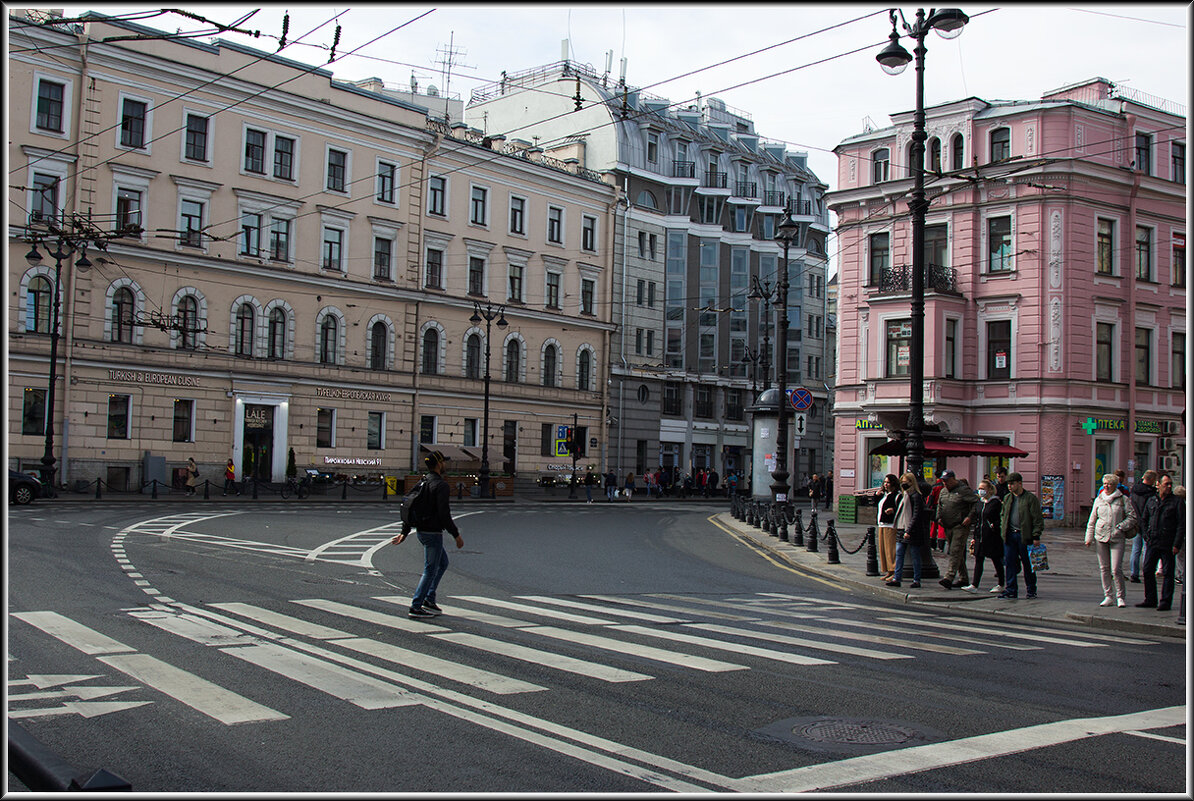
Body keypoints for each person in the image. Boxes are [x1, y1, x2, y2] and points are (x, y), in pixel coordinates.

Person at [391, 450, 463, 619]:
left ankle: (429, 598)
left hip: (422, 531)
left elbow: (411, 504)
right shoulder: (441, 485)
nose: (445, 464)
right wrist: (456, 535)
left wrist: (405, 531)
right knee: (430, 569)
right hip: (432, 532)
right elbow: (444, 514)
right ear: (439, 464)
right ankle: (416, 606)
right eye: (444, 461)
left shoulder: (423, 481)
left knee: (442, 563)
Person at [1084, 473, 1137, 608]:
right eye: (1105, 484)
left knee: (1116, 569)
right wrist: (1088, 537)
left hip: (1117, 537)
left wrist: (1121, 526)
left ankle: (1120, 596)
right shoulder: (1099, 499)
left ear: (1115, 485)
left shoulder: (1123, 499)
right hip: (1101, 536)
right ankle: (1108, 596)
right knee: (1104, 568)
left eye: (1109, 484)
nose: (1106, 486)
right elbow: (1092, 520)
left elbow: (1132, 517)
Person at [1139, 474, 1184, 611]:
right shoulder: (1152, 500)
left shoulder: (1176, 502)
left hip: (1168, 542)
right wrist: (1146, 535)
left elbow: (1182, 524)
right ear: (1158, 485)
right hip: (1153, 541)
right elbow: (1144, 519)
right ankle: (1150, 599)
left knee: (1168, 573)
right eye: (1166, 484)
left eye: (1170, 484)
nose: (1169, 486)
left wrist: (1177, 544)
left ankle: (1165, 601)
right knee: (1147, 570)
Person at [999, 472, 1045, 599]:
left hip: (1025, 536)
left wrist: (1036, 535)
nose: (1010, 486)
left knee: (1028, 564)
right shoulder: (1008, 498)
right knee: (1010, 563)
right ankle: (1011, 589)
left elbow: (1037, 519)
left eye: (1012, 483)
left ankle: (1031, 589)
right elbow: (1003, 515)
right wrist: (1003, 531)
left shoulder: (1030, 498)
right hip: (1010, 535)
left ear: (1020, 483)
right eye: (1008, 484)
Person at [935, 469, 978, 589]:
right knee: (957, 552)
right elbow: (940, 505)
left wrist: (969, 517)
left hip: (960, 525)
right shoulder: (943, 491)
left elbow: (976, 503)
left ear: (953, 479)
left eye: (947, 481)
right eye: (943, 481)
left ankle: (949, 576)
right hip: (947, 525)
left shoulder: (964, 490)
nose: (945, 483)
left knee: (954, 550)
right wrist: (938, 517)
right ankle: (963, 578)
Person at [962, 479, 1005, 594]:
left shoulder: (995, 503)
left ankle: (1001, 583)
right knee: (979, 560)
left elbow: (999, 518)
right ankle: (974, 585)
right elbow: (978, 519)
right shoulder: (980, 503)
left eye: (983, 489)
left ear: (989, 490)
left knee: (996, 560)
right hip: (980, 535)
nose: (980, 491)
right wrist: (974, 537)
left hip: (992, 536)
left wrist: (994, 526)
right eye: (979, 488)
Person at [886, 472, 928, 588]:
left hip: (912, 530)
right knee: (899, 553)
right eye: (902, 482)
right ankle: (897, 578)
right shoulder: (904, 495)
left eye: (906, 482)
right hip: (901, 528)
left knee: (915, 555)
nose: (903, 484)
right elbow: (902, 510)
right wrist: (893, 510)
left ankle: (916, 579)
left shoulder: (916, 496)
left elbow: (916, 514)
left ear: (911, 482)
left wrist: (908, 530)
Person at [1127, 469, 1158, 584]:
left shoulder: (1135, 489)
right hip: (1147, 523)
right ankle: (1147, 572)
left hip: (1136, 522)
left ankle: (1134, 573)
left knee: (1136, 549)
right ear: (1151, 480)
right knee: (1147, 549)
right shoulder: (1151, 493)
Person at [875, 474, 899, 582]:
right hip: (882, 523)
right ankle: (888, 571)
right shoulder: (885, 495)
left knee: (890, 549)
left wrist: (892, 510)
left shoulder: (896, 495)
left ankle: (893, 570)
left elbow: (898, 507)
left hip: (890, 524)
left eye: (888, 482)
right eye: (884, 482)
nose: (885, 484)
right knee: (883, 549)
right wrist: (877, 495)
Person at [927, 472, 947, 551]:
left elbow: (930, 499)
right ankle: (941, 545)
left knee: (933, 527)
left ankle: (932, 544)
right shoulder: (945, 487)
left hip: (934, 508)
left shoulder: (934, 487)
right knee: (941, 527)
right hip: (944, 508)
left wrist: (928, 506)